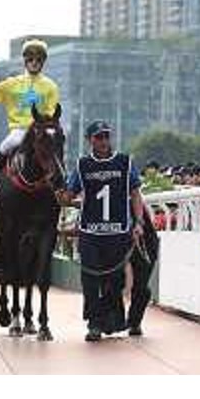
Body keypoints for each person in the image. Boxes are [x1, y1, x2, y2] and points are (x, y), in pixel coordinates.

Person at [61, 120, 145, 342]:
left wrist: (138, 222)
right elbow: (68, 196)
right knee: (90, 279)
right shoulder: (82, 165)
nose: (104, 141)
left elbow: (135, 194)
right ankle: (93, 323)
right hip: (90, 232)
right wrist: (62, 193)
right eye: (99, 137)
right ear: (90, 140)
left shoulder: (125, 162)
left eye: (106, 136)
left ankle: (112, 318)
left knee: (115, 280)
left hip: (119, 231)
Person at [0, 38, 61, 202]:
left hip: (40, 130)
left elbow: (51, 112)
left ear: (43, 62)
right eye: (31, 59)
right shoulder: (12, 84)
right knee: (5, 147)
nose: (34, 62)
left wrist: (44, 127)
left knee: (56, 147)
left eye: (38, 59)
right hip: (19, 130)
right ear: (25, 61)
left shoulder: (50, 86)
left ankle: (61, 184)